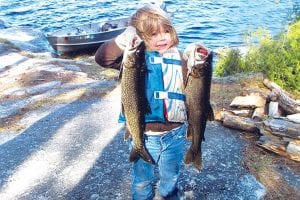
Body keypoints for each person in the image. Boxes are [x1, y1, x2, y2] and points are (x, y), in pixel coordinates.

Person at [95, 4, 208, 200]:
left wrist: (198, 56)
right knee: (141, 181)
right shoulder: (135, 59)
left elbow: (198, 82)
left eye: (166, 31)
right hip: (144, 135)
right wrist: (123, 40)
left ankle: (168, 195)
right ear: (141, 37)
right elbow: (103, 58)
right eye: (153, 34)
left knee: (170, 177)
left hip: (175, 134)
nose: (162, 37)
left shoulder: (180, 59)